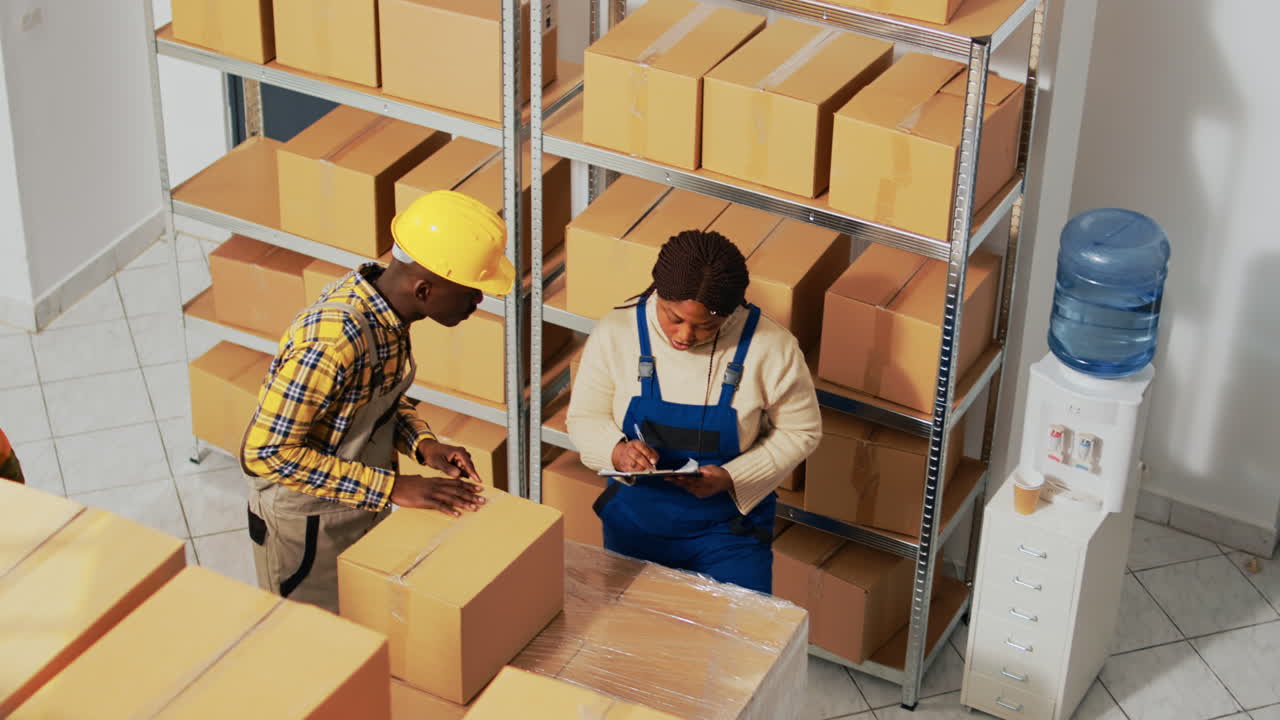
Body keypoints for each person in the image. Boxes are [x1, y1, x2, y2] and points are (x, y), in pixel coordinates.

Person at [242, 190, 512, 613]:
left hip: (354, 506)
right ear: (424, 288)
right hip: (304, 529)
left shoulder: (389, 314)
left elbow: (370, 400)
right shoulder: (332, 341)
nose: (479, 302)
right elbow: (266, 453)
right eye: (472, 291)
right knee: (317, 648)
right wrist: (393, 487)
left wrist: (424, 444)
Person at [567, 230, 822, 593]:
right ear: (658, 292)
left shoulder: (773, 348)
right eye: (674, 317)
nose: (685, 335)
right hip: (634, 527)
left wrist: (733, 476)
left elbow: (802, 431)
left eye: (706, 326)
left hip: (728, 534)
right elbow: (585, 417)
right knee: (638, 639)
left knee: (739, 645)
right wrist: (617, 451)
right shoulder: (617, 331)